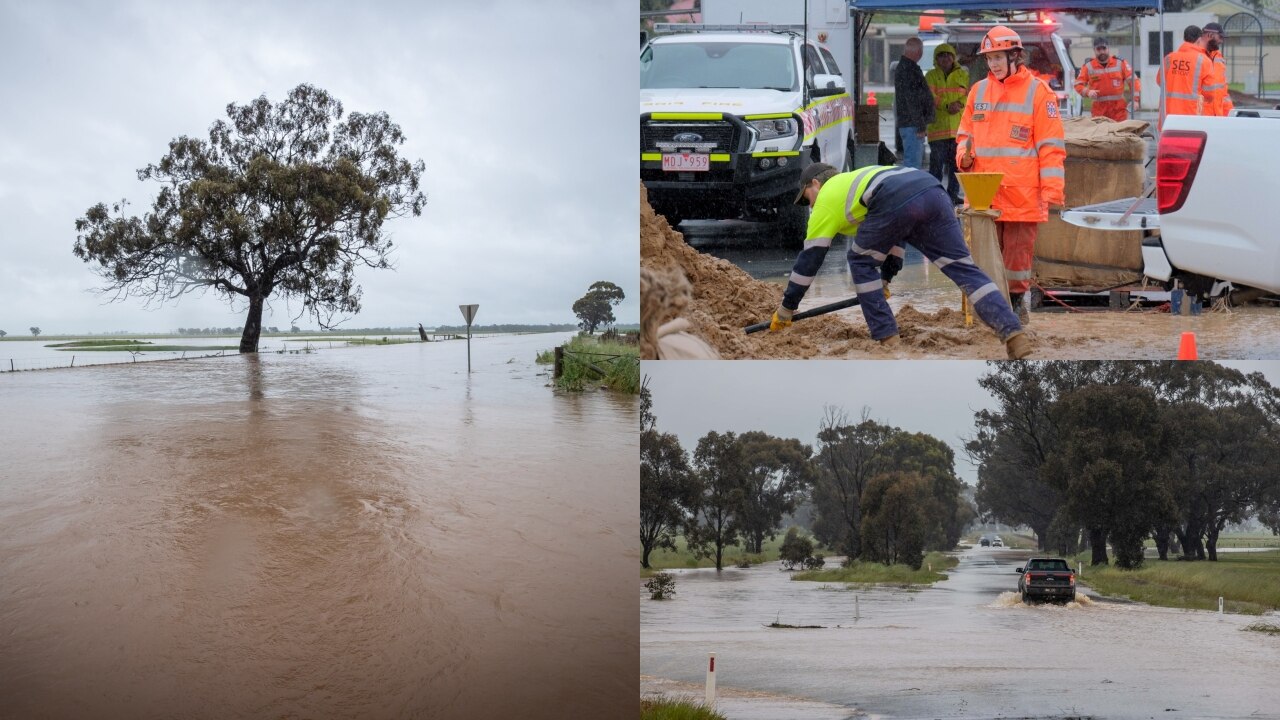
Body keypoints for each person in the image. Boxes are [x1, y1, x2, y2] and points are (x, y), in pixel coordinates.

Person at [767, 162, 1031, 359]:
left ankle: (887, 338)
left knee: (859, 261)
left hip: (896, 197)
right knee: (964, 270)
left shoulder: (827, 198)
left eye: (807, 198)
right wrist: (885, 278)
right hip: (932, 190)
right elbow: (896, 235)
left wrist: (787, 308)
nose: (810, 206)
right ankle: (1013, 334)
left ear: (815, 184)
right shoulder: (859, 179)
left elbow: (809, 261)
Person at [956, 25, 1066, 322]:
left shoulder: (1038, 93)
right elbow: (965, 134)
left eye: (997, 58)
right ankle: (989, 306)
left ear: (1015, 56)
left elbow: (1051, 146)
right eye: (989, 58)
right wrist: (964, 159)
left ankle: (1016, 303)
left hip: (1022, 193)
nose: (992, 64)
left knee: (1017, 257)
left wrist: (1052, 189)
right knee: (985, 256)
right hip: (983, 193)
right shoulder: (978, 90)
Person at [925, 42, 968, 204]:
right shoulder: (931, 76)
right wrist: (947, 105)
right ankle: (934, 196)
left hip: (957, 129)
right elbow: (930, 96)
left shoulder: (962, 75)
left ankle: (952, 194)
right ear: (936, 59)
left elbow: (968, 94)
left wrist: (959, 104)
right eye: (941, 55)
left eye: (948, 55)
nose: (945, 58)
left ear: (953, 57)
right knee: (936, 167)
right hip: (938, 129)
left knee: (956, 167)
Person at [1157, 25, 1217, 130]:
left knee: (1169, 145)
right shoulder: (1204, 61)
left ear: (1184, 39)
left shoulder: (1169, 58)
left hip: (1168, 116)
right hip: (1191, 116)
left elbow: (1159, 81)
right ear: (1199, 40)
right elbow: (1210, 94)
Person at [894, 37, 935, 170]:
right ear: (918, 52)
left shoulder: (907, 68)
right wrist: (920, 125)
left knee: (913, 163)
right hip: (912, 125)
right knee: (913, 166)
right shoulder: (908, 70)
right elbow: (912, 100)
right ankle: (910, 190)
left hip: (910, 124)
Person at [1075, 38, 1136, 122]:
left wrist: (1136, 100)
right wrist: (1088, 92)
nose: (1102, 52)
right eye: (1099, 49)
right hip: (1099, 111)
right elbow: (1078, 84)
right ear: (1094, 50)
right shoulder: (1088, 66)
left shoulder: (1120, 63)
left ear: (1108, 48)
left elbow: (1134, 81)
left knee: (1120, 133)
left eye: (1104, 48)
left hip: (1118, 110)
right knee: (1101, 134)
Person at [1202, 22, 1234, 116]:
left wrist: (1230, 114)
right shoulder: (1196, 57)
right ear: (1210, 35)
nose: (1221, 41)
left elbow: (1223, 92)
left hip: (1217, 117)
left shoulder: (1218, 57)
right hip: (1201, 118)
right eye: (1220, 37)